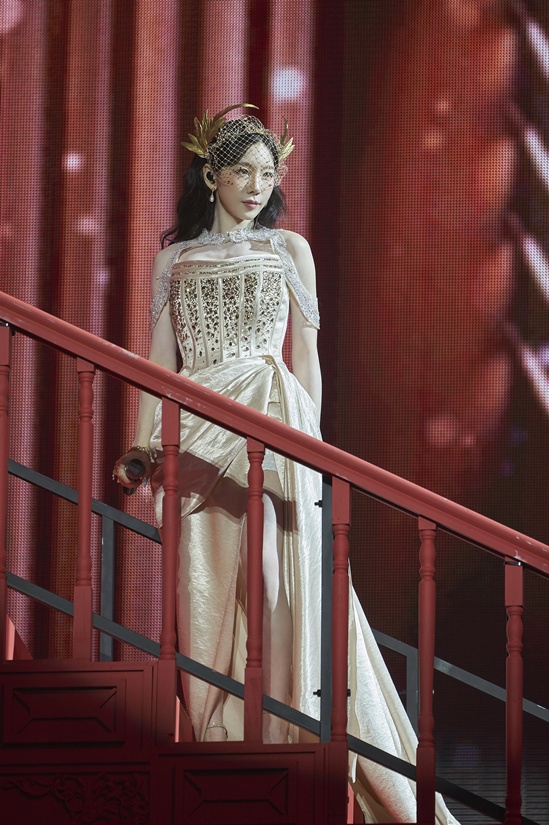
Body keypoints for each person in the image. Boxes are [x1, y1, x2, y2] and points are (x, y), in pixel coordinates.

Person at [113, 105, 459, 824]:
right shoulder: (173, 261)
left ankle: (276, 729)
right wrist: (141, 445)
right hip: (196, 427)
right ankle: (219, 734)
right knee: (205, 584)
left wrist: (314, 445)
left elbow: (306, 354)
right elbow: (159, 362)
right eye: (243, 172)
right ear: (211, 175)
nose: (257, 187)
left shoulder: (289, 249)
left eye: (268, 175)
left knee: (273, 570)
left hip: (272, 415)